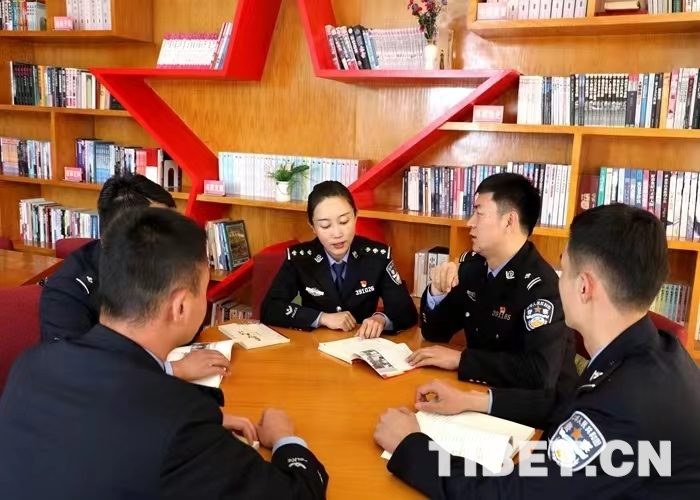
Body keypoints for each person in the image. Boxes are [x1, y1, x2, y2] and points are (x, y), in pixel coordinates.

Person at [374, 203, 700, 498]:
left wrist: (411, 446)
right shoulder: (656, 351)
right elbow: (567, 407)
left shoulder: (620, 407)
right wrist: (472, 400)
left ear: (584, 287)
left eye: (564, 270)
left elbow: (510, 495)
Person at [0, 207, 329, 499]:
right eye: (204, 289)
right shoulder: (180, 419)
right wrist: (284, 438)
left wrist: (206, 425)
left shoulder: (30, 366)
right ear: (181, 306)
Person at [406, 173, 577, 425]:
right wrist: (436, 291)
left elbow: (539, 373)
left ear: (509, 221)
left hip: (534, 414)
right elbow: (435, 333)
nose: (469, 223)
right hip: (476, 394)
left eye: (479, 213)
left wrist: (462, 360)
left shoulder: (542, 287)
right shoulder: (474, 267)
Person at [39, 170, 225, 382]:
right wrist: (173, 369)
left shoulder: (166, 265)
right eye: (160, 230)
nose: (173, 240)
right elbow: (72, 371)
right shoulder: (67, 291)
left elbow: (186, 330)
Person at [261, 181, 417, 338]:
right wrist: (321, 318)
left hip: (361, 343)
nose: (337, 234)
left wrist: (380, 319)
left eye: (344, 222)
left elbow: (406, 310)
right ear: (313, 227)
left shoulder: (376, 257)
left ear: (355, 217)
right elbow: (270, 309)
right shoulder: (300, 259)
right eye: (325, 226)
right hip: (314, 345)